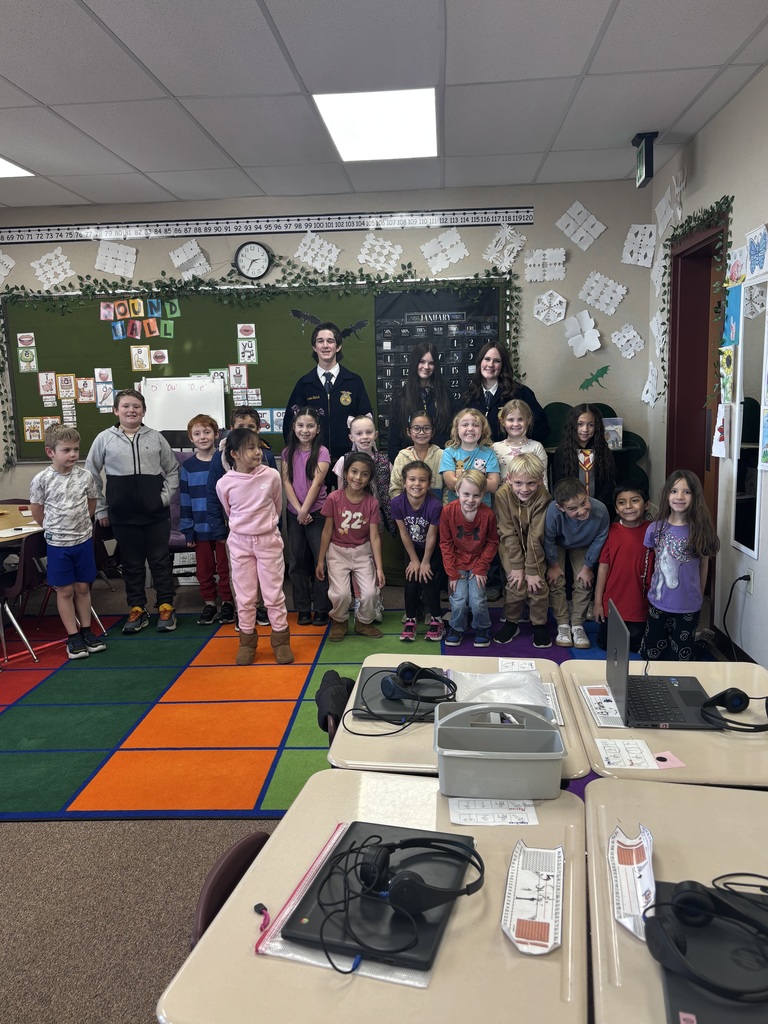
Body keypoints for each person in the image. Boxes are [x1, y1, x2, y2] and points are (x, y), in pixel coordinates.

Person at [85, 388, 179, 634]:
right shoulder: (104, 439)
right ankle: (137, 608)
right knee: (131, 563)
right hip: (122, 514)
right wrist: (102, 509)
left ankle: (166, 605)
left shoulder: (156, 438)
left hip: (155, 513)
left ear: (144, 411)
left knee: (159, 561)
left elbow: (172, 471)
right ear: (116, 410)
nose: (131, 410)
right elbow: (91, 475)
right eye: (125, 406)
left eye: (136, 406)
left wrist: (164, 499)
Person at [215, 428, 293, 666]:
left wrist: (264, 527)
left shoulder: (271, 475)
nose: (257, 452)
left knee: (273, 594)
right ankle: (247, 641)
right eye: (250, 448)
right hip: (240, 543)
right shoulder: (225, 483)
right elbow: (229, 512)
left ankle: (281, 641)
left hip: (268, 540)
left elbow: (277, 506)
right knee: (246, 596)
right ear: (234, 454)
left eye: (258, 447)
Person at [29, 424, 106, 660]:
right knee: (65, 590)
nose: (73, 454)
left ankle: (86, 630)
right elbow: (37, 511)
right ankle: (73, 637)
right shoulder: (41, 480)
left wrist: (81, 524)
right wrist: (54, 529)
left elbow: (91, 504)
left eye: (76, 449)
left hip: (82, 541)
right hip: (58, 545)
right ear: (51, 452)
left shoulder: (85, 476)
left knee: (83, 587)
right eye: (66, 450)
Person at [207, 406, 275, 626]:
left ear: (259, 429)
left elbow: (276, 499)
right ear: (231, 429)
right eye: (240, 427)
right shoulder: (221, 459)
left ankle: (263, 607)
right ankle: (245, 613)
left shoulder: (265, 456)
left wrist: (276, 524)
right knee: (241, 575)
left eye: (251, 427)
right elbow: (216, 497)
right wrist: (221, 529)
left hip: (265, 530)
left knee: (268, 575)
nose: (246, 431)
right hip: (237, 531)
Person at [641, 470, 720, 661]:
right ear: (667, 494)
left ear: (695, 497)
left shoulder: (700, 530)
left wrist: (699, 596)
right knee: (651, 654)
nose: (679, 497)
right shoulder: (655, 528)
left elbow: (703, 565)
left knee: (681, 658)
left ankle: (700, 643)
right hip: (658, 602)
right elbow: (652, 563)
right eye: (674, 491)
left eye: (687, 492)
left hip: (688, 606)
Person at [316, 452, 386, 643]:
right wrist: (321, 560)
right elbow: (326, 531)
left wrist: (379, 568)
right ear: (345, 473)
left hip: (362, 552)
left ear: (369, 478)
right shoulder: (334, 498)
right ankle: (340, 621)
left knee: (371, 593)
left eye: (364, 474)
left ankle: (363, 622)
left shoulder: (371, 503)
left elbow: (374, 537)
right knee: (340, 594)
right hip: (337, 552)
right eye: (354, 472)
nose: (358, 478)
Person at [283, 322, 373, 465]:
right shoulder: (305, 384)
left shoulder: (354, 382)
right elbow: (290, 422)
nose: (325, 345)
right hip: (313, 460)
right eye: (320, 341)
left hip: (349, 460)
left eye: (330, 341)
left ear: (338, 347)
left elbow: (367, 420)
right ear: (314, 347)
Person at [178, 414, 235, 626]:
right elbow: (184, 500)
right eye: (197, 433)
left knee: (225, 568)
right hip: (199, 528)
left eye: (207, 432)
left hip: (221, 527)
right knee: (204, 569)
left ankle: (228, 603)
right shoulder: (188, 467)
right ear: (191, 438)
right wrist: (188, 529)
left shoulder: (224, 462)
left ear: (216, 434)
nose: (203, 437)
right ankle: (210, 604)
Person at [493, 453, 553, 649]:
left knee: (537, 585)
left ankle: (539, 624)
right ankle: (512, 622)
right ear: (509, 478)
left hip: (536, 546)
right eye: (518, 483)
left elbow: (536, 536)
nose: (524, 489)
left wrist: (533, 570)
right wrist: (518, 567)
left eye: (531, 484)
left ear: (540, 480)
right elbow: (507, 532)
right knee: (515, 583)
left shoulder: (544, 496)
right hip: (510, 545)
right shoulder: (503, 495)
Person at [544, 477, 610, 650]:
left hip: (583, 545)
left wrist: (588, 567)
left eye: (584, 502)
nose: (581, 510)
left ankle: (577, 624)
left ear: (587, 494)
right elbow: (548, 539)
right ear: (561, 508)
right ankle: (563, 624)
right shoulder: (553, 511)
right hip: (558, 543)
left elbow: (600, 539)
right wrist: (553, 565)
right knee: (556, 581)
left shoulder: (601, 510)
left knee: (584, 582)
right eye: (573, 508)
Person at [281, 406, 331, 627]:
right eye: (300, 425)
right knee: (296, 562)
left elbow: (318, 483)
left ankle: (321, 608)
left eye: (310, 426)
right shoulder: (286, 452)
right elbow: (286, 482)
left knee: (321, 561)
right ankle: (302, 608)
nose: (305, 430)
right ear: (293, 427)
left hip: (317, 514)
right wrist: (298, 510)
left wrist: (305, 510)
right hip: (294, 514)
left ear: (317, 429)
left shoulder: (322, 452)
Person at [439, 469, 499, 648]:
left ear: (483, 494)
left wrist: (481, 567)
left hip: (478, 562)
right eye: (466, 494)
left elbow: (492, 542)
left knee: (477, 599)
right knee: (458, 599)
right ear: (457, 491)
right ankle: (457, 627)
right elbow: (446, 543)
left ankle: (482, 627)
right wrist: (452, 572)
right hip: (456, 563)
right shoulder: (448, 512)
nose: (471, 500)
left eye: (476, 495)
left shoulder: (488, 515)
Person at [594, 481, 654, 652]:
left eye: (635, 500)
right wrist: (598, 603)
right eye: (622, 502)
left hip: (641, 605)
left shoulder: (653, 530)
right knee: (608, 646)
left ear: (647, 504)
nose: (628, 506)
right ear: (616, 508)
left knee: (638, 648)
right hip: (613, 604)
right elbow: (603, 568)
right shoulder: (610, 531)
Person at [391, 460, 445, 642]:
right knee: (411, 581)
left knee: (427, 580)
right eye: (412, 479)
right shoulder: (397, 503)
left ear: (429, 484)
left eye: (422, 480)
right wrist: (414, 560)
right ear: (404, 482)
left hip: (431, 551)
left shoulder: (435, 506)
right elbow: (403, 533)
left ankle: (437, 619)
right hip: (412, 549)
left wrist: (425, 562)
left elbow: (431, 537)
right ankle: (411, 618)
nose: (417, 484)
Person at [461, 342, 548, 443]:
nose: (490, 364)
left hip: (512, 456)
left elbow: (542, 428)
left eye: (497, 361)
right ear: (480, 361)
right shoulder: (469, 397)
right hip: (478, 455)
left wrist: (519, 446)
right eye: (487, 359)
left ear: (503, 365)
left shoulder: (521, 393)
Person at [386, 341, 455, 462]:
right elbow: (394, 437)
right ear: (414, 363)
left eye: (431, 363)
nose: (426, 367)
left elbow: (453, 431)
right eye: (422, 362)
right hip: (409, 465)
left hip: (441, 462)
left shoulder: (446, 395)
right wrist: (398, 463)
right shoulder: (400, 397)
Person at [331, 413, 395, 534]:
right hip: (350, 515)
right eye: (359, 434)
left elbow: (391, 490)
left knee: (375, 546)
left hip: (376, 514)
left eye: (369, 432)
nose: (365, 437)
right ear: (351, 437)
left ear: (375, 435)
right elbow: (339, 492)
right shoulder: (343, 461)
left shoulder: (385, 462)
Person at [552, 404, 615, 507]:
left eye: (591, 425)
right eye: (580, 424)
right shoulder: (563, 451)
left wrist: (598, 504)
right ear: (573, 425)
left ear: (597, 426)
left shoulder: (603, 451)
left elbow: (608, 483)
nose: (585, 429)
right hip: (572, 507)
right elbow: (560, 483)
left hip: (599, 505)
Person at [440, 407, 501, 506]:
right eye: (465, 425)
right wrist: (480, 480)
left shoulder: (489, 453)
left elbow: (493, 485)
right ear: (457, 429)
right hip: (456, 507)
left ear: (482, 430)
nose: (470, 429)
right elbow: (451, 483)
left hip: (483, 508)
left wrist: (462, 477)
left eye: (476, 425)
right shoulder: (449, 452)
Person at [389, 411, 444, 502]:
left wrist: (443, 510)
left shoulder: (441, 455)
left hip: (436, 511)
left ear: (433, 431)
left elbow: (447, 489)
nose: (421, 432)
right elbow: (395, 488)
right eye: (416, 428)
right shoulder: (402, 457)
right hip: (408, 512)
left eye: (426, 428)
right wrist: (405, 508)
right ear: (409, 431)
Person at [492, 398, 548, 484]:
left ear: (528, 420)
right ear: (502, 421)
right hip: (503, 496)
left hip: (531, 495)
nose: (515, 424)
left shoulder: (536, 447)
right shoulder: (495, 448)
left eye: (520, 419)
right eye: (511, 420)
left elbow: (543, 481)